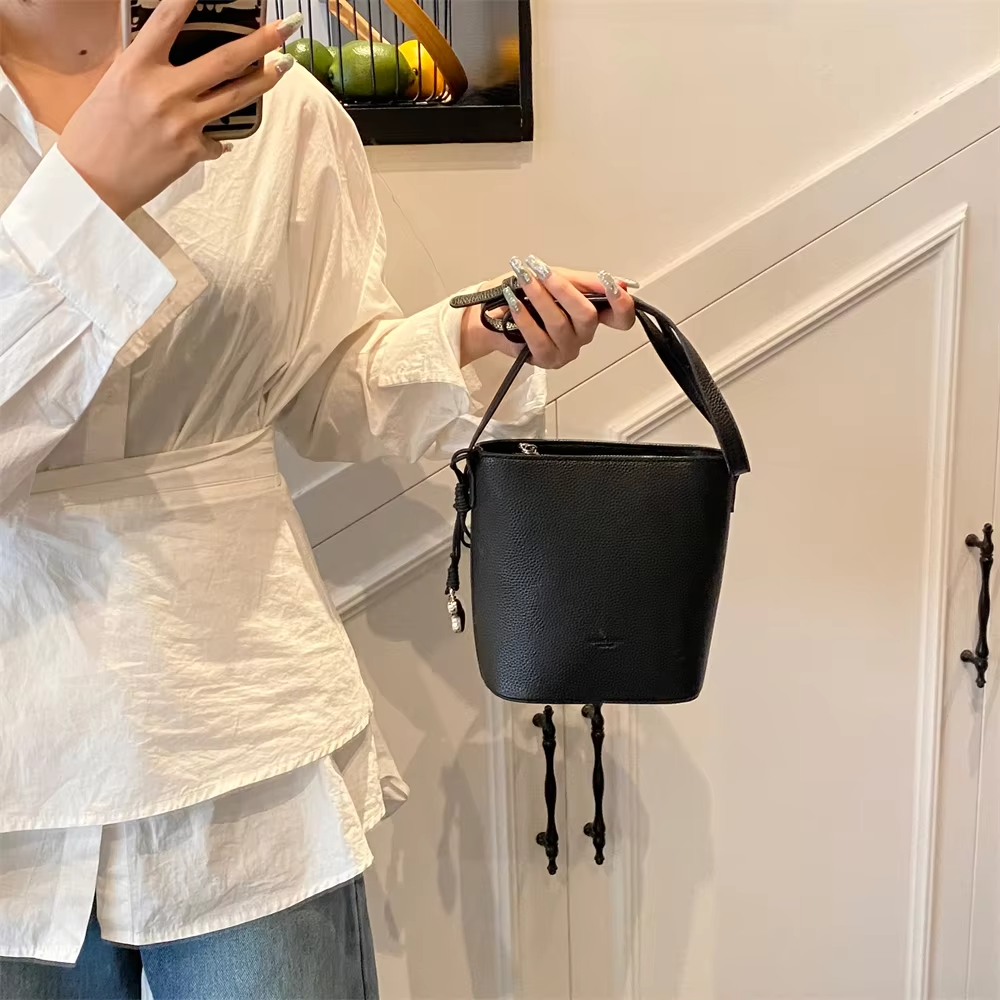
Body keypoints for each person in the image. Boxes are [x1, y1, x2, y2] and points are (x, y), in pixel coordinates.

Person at [0, 1, 636, 997]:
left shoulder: (276, 104)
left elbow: (327, 379)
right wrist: (88, 194)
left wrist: (477, 334)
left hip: (241, 722)